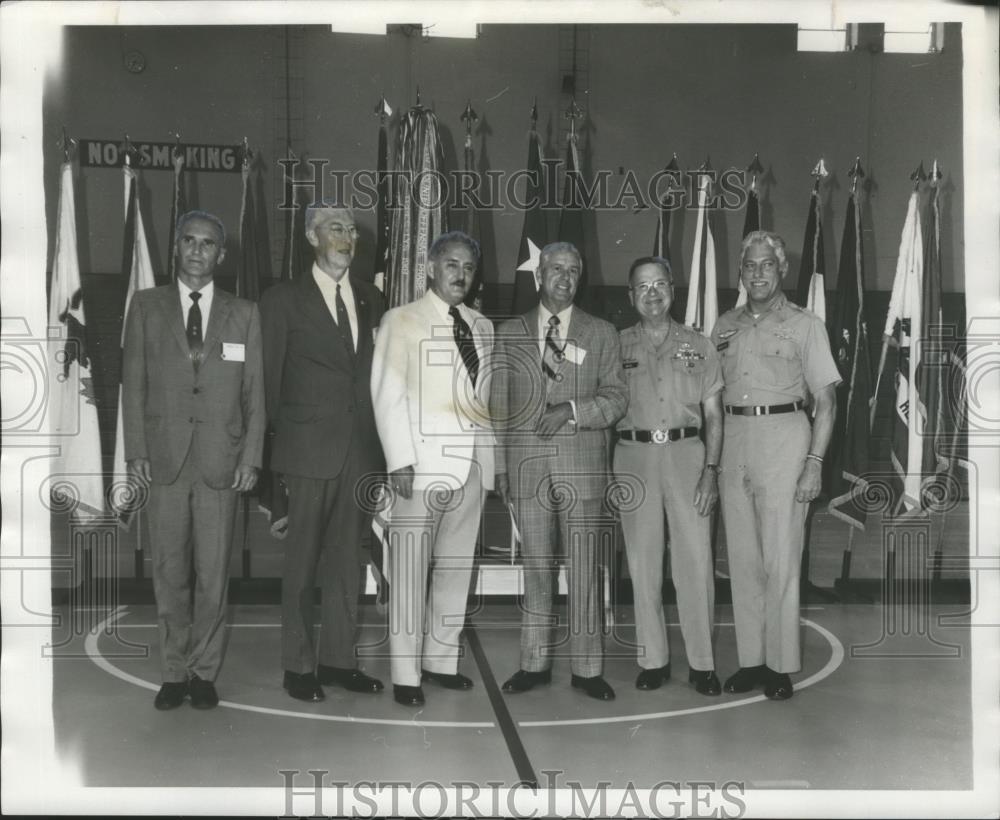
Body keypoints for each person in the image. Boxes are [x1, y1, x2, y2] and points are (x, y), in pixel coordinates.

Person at [122, 210, 265, 710]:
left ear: (221, 255)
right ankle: (173, 672)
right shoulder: (145, 306)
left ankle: (204, 673)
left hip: (220, 464)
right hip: (164, 460)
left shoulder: (244, 313)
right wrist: (136, 449)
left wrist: (251, 455)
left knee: (212, 575)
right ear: (175, 247)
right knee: (170, 572)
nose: (198, 250)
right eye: (189, 240)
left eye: (208, 243)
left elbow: (255, 393)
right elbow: (133, 385)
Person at [491, 242, 628, 702]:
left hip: (583, 468)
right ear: (539, 275)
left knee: (585, 569)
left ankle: (588, 668)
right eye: (555, 269)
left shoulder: (602, 332)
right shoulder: (509, 333)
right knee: (535, 568)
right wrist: (502, 469)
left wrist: (571, 409)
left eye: (573, 270)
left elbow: (616, 399)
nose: (564, 278)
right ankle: (534, 662)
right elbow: (500, 408)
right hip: (527, 470)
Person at [260, 203, 385, 702]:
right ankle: (297, 665)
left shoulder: (372, 298)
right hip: (305, 453)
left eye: (352, 230)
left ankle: (338, 661)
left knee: (345, 566)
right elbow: (268, 384)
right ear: (312, 236)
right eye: (336, 228)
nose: (347, 237)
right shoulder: (282, 300)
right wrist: (272, 469)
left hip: (359, 453)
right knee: (301, 566)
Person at [711, 230, 840, 700]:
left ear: (782, 270)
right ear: (741, 272)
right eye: (750, 265)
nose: (758, 273)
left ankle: (780, 665)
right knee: (742, 560)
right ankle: (751, 661)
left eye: (767, 264)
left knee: (781, 560)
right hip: (733, 442)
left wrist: (813, 463)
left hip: (785, 441)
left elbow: (825, 403)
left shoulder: (806, 325)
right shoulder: (723, 325)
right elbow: (708, 399)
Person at [371, 231, 495, 707]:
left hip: (470, 472)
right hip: (419, 470)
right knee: (408, 572)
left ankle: (440, 661)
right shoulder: (401, 320)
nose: (460, 274)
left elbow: (482, 405)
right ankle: (406, 674)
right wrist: (399, 460)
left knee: (455, 569)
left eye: (467, 266)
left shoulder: (481, 326)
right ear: (430, 267)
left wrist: (490, 466)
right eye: (451, 264)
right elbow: (387, 394)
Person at [614, 256, 723, 696]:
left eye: (660, 284)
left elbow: (714, 415)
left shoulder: (701, 345)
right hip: (633, 458)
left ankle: (701, 663)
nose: (652, 293)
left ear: (673, 290)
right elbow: (604, 412)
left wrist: (711, 471)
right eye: (642, 287)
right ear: (630, 295)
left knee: (695, 564)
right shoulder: (615, 346)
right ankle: (653, 659)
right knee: (642, 564)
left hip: (687, 456)